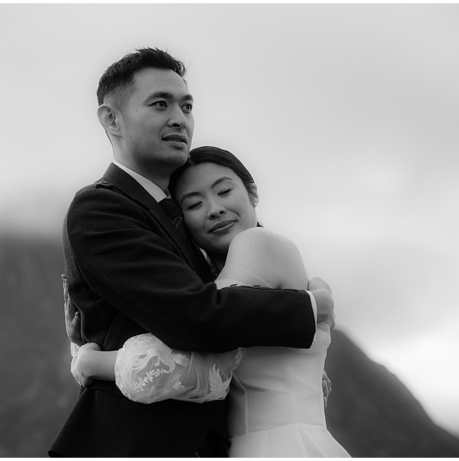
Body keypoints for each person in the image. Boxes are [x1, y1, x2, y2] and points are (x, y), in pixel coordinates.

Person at [50, 48, 335, 457]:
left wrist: (87, 359)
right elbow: (197, 317)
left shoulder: (209, 237)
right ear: (111, 119)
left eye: (186, 106)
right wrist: (308, 308)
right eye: (160, 104)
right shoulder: (101, 207)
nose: (179, 118)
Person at [72, 146, 350, 457]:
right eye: (194, 204)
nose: (214, 209)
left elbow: (196, 361)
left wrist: (91, 362)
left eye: (224, 191)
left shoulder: (256, 243)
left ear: (253, 193)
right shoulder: (229, 270)